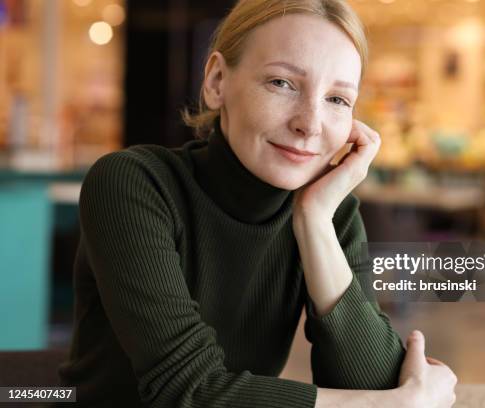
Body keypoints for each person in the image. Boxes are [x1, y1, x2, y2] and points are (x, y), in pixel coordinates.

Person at [57, 0, 457, 406]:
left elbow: (372, 382)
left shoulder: (331, 213)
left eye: (338, 99)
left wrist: (315, 221)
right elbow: (187, 391)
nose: (310, 123)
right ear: (216, 82)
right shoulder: (134, 183)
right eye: (282, 83)